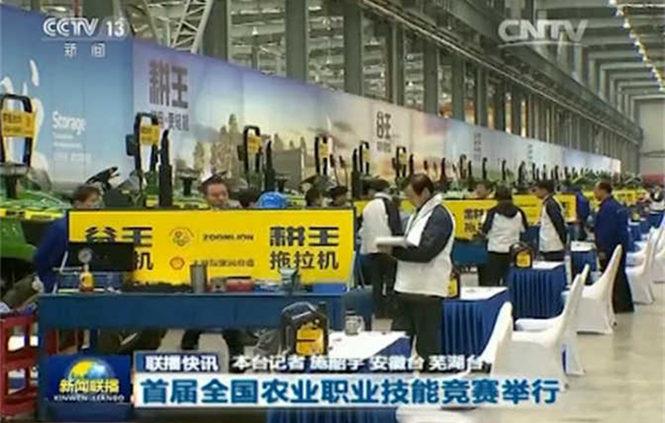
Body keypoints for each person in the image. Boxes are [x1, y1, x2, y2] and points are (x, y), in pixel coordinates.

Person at [387, 174, 454, 364]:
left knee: (427, 347)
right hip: (406, 287)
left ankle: (430, 380)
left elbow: (426, 252)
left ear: (424, 192)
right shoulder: (417, 214)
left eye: (411, 195)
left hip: (427, 290)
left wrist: (394, 251)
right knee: (398, 342)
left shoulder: (440, 216)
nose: (408, 200)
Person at [181, 176, 244, 360]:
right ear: (205, 197)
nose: (221, 198)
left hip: (231, 274)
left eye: (224, 194)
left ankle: (236, 365)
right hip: (202, 275)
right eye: (215, 195)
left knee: (232, 327)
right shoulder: (196, 218)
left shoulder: (239, 217)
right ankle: (188, 358)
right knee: (197, 320)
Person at [33, 184, 101, 294]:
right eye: (93, 201)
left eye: (98, 201)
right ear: (78, 204)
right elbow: (42, 257)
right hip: (60, 280)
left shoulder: (101, 227)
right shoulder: (60, 228)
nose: (97, 205)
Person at [359, 179, 402, 318]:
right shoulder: (389, 204)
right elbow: (395, 226)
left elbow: (363, 229)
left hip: (372, 249)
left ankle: (378, 312)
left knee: (376, 283)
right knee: (391, 281)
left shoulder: (367, 206)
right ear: (386, 190)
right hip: (388, 247)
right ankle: (390, 311)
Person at [594, 181, 634, 313]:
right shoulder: (617, 205)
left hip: (610, 247)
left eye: (596, 190)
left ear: (603, 190)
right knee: (619, 274)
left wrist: (602, 249)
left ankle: (619, 304)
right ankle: (624, 304)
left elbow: (606, 231)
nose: (594, 193)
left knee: (613, 276)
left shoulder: (607, 209)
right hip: (620, 245)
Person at [480, 186, 528, 286]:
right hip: (513, 251)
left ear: (496, 198)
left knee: (493, 282)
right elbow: (524, 229)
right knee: (510, 281)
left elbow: (484, 230)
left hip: (495, 250)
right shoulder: (519, 212)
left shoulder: (492, 212)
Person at [533, 180, 567, 261]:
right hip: (549, 245)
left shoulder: (551, 204)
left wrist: (563, 240)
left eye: (536, 190)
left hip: (553, 246)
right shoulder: (548, 203)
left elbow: (559, 223)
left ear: (544, 190)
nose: (535, 193)